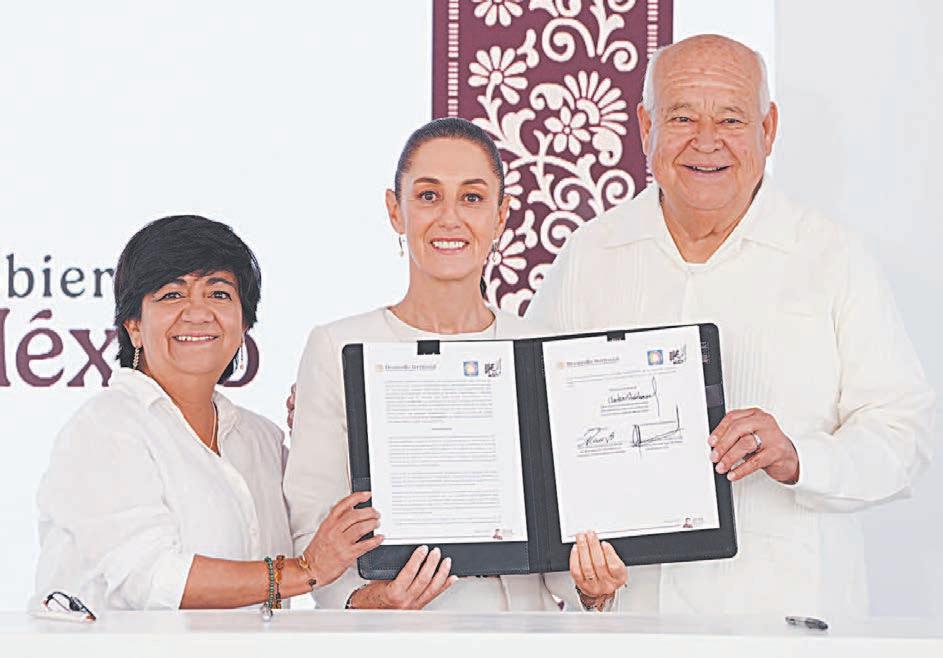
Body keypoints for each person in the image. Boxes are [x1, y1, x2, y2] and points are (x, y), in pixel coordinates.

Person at [526, 34, 935, 617]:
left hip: (790, 623)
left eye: (731, 118)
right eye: (681, 117)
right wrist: (583, 582)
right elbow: (535, 438)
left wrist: (798, 457)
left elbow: (903, 434)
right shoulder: (588, 256)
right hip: (632, 624)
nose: (706, 140)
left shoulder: (832, 256)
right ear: (645, 127)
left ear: (768, 129)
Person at [284, 118, 628, 611]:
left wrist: (592, 587)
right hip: (397, 638)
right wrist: (369, 601)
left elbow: (563, 542)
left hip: (526, 635)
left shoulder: (544, 350)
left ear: (501, 215)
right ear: (395, 210)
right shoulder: (337, 348)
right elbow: (312, 526)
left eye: (471, 198)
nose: (450, 218)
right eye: (428, 196)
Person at [34, 216, 380, 611]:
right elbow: (154, 580)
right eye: (171, 295)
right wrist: (304, 571)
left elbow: (326, 532)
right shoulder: (106, 428)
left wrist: (332, 429)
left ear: (243, 322)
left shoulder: (262, 441)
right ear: (133, 325)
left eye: (218, 294)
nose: (198, 313)